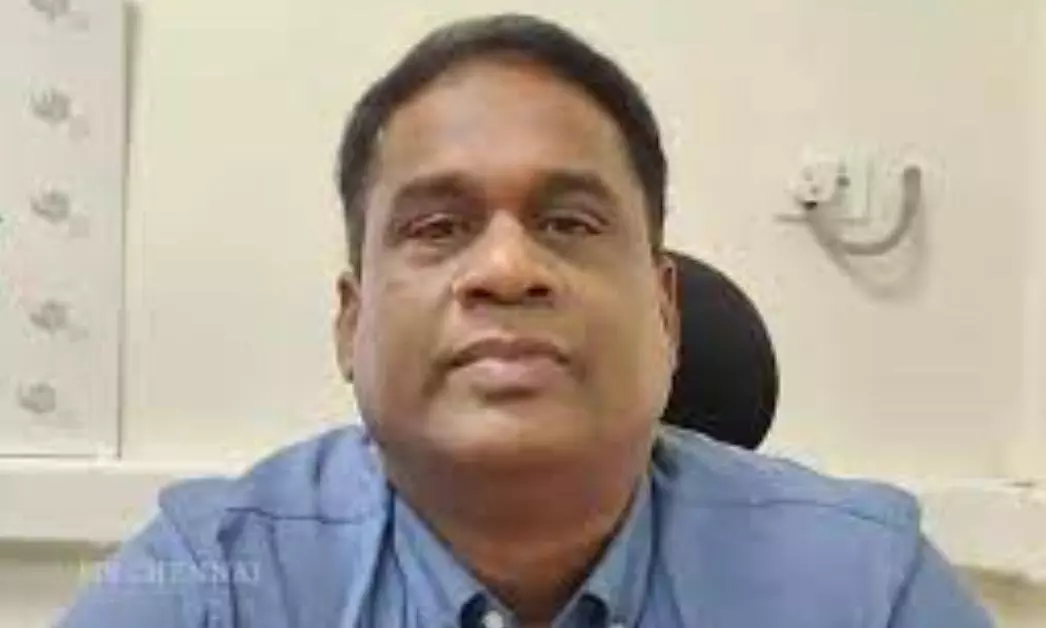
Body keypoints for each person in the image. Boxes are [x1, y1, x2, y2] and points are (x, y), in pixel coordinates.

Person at [60, 13, 993, 628]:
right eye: (438, 228)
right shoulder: (213, 583)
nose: (507, 269)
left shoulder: (865, 588)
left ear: (665, 312)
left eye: (570, 224)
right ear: (351, 323)